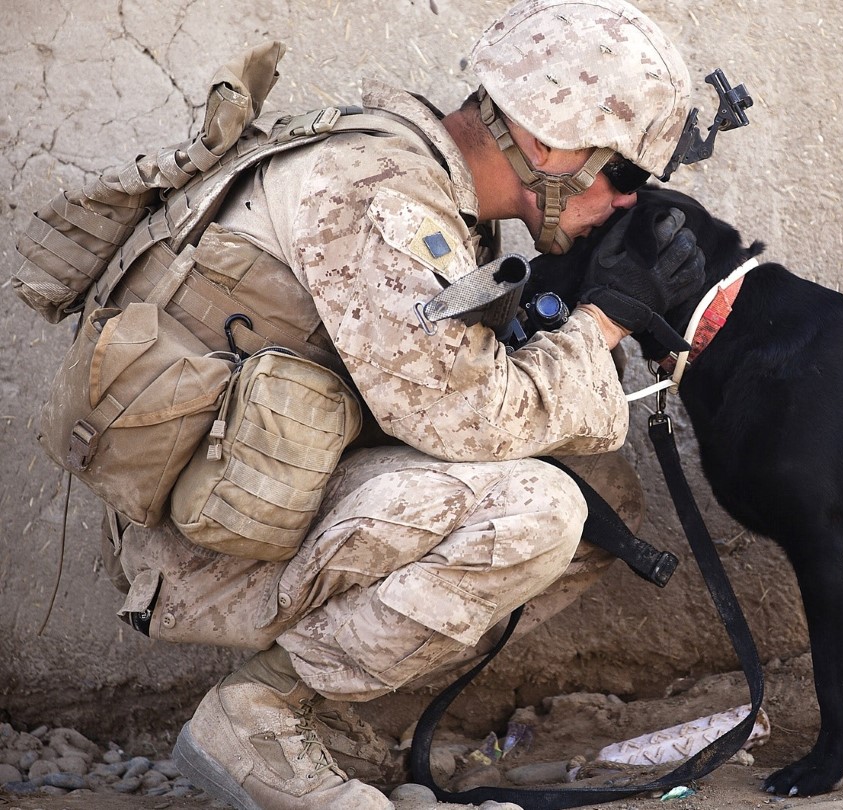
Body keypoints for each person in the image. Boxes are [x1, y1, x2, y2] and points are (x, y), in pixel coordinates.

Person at [97, 2, 734, 808]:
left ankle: (318, 707)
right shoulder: (378, 195)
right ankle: (259, 715)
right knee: (538, 509)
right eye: (624, 176)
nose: (623, 204)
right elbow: (468, 417)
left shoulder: (425, 182)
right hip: (200, 544)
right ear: (545, 142)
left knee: (600, 499)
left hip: (259, 485)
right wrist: (601, 322)